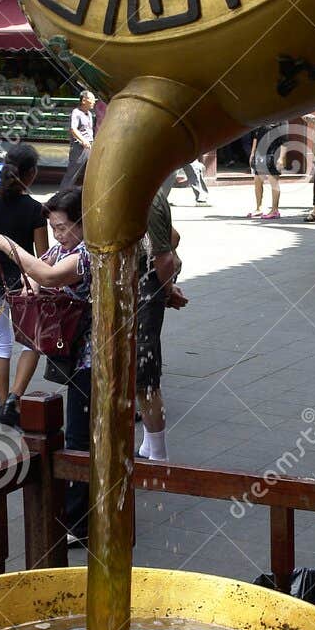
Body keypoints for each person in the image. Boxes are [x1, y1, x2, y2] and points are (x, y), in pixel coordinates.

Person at [0, 186, 92, 546]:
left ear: (82, 223)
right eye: (54, 228)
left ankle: (79, 521)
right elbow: (39, 271)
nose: (58, 234)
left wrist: (8, 246)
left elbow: (49, 276)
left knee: (79, 436)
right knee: (79, 432)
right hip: (72, 351)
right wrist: (30, 282)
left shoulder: (88, 253)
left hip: (94, 355)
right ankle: (83, 510)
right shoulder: (62, 249)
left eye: (62, 227)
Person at [0, 143, 48, 429]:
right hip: (24, 285)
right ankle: (15, 397)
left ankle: (3, 403)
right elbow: (43, 256)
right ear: (31, 173)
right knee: (32, 342)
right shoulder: (35, 209)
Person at [136, 176, 186, 462]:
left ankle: (158, 455)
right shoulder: (150, 193)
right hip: (142, 289)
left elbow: (166, 254)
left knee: (144, 379)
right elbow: (173, 239)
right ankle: (149, 446)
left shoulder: (148, 197)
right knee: (140, 374)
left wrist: (166, 290)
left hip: (142, 293)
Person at [247, 123, 286, 219]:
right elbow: (256, 136)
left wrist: (281, 158)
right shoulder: (262, 118)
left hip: (273, 154)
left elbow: (284, 141)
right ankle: (258, 208)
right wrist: (252, 153)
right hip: (260, 153)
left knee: (273, 181)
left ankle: (275, 210)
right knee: (257, 180)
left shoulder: (282, 119)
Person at [62, 90, 95, 187]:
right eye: (92, 99)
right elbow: (73, 129)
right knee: (72, 173)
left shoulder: (89, 114)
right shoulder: (76, 112)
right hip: (79, 147)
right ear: (84, 100)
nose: (94, 102)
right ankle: (62, 194)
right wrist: (83, 140)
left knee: (91, 173)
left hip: (90, 146)